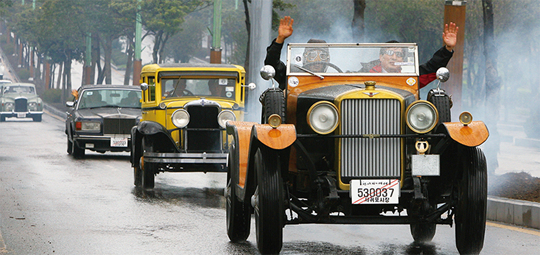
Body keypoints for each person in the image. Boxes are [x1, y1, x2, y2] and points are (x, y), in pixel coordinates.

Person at [361, 22, 459, 89]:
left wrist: (447, 49)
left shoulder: (410, 76)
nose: (394, 57)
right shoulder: (364, 74)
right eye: (390, 53)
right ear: (381, 57)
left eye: (398, 54)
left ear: (402, 60)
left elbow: (432, 69)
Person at [264, 16, 329, 90]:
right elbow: (272, 63)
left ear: (327, 60)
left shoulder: (335, 77)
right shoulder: (292, 74)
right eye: (312, 55)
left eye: (322, 56)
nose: (317, 60)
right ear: (305, 57)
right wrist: (280, 39)